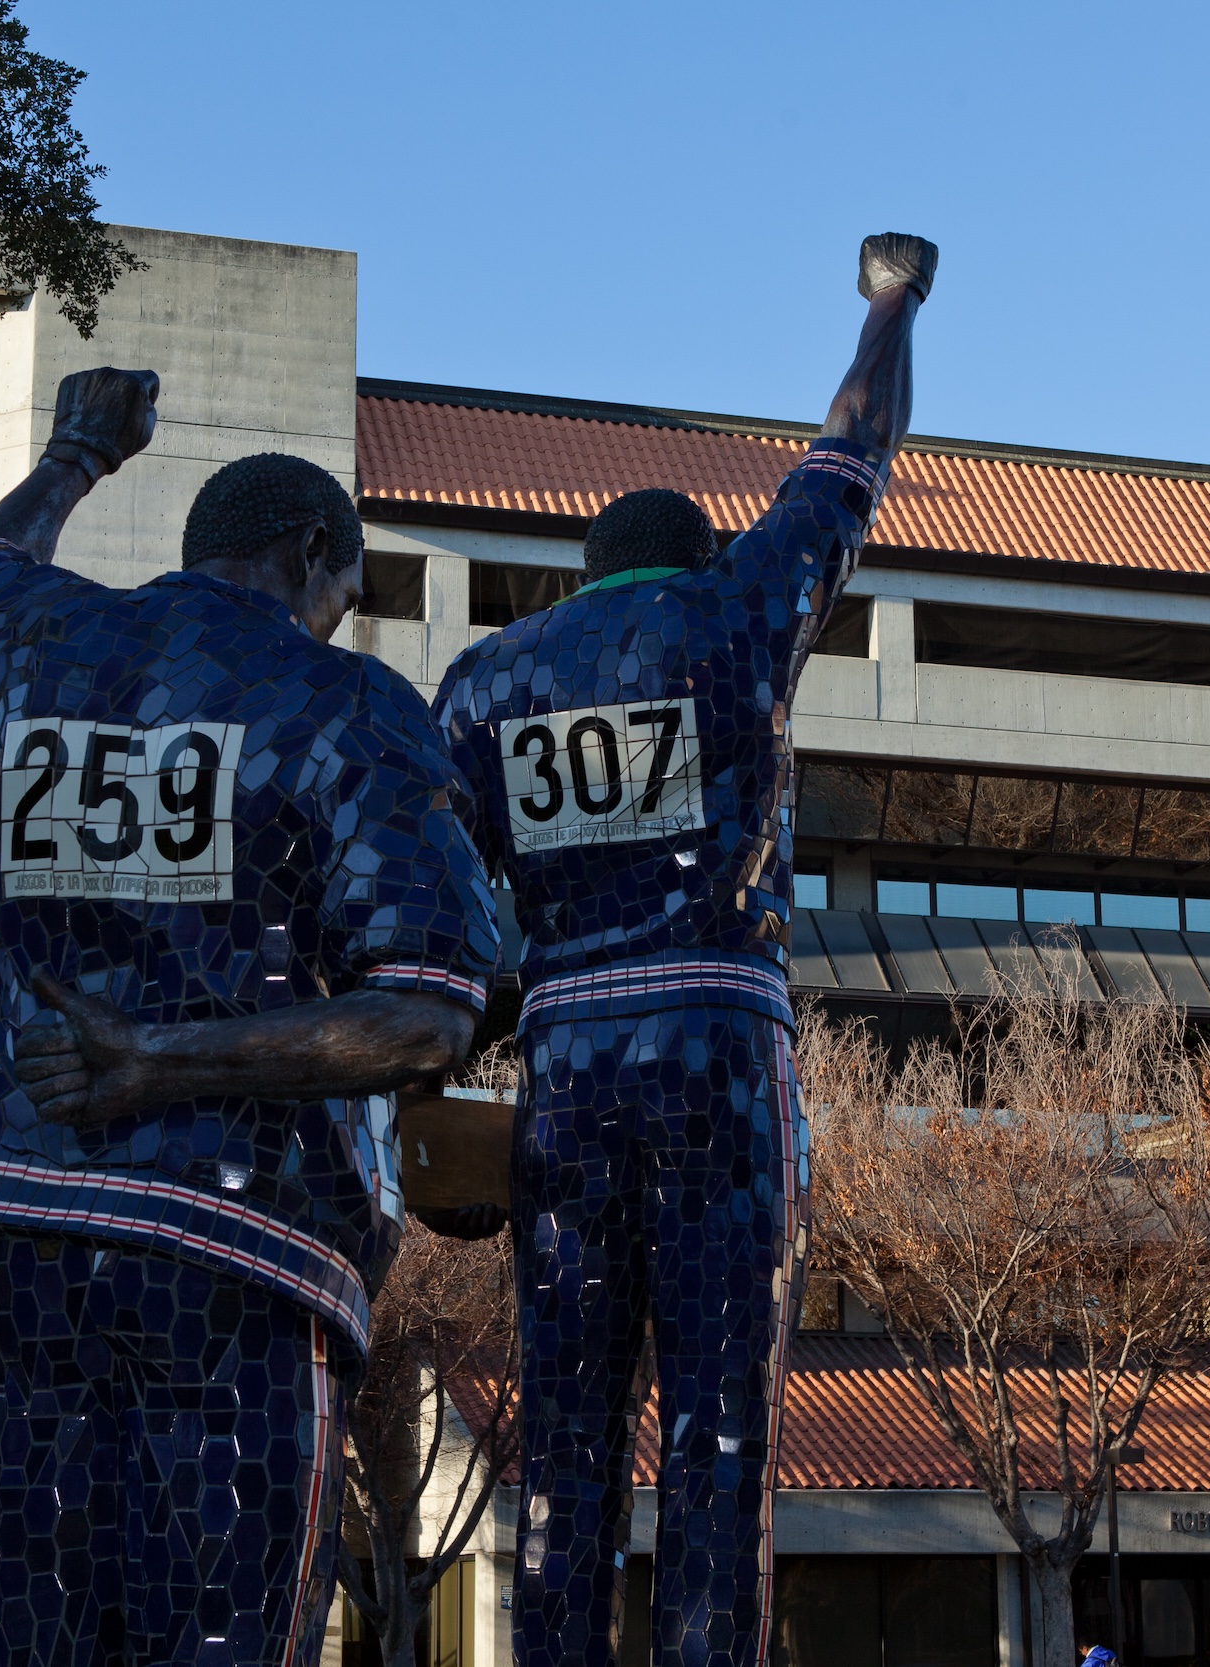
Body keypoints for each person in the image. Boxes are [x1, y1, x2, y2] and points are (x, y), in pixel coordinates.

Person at [0, 365, 502, 1667]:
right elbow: (425, 1014)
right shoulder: (345, 708)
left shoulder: (35, 642)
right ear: (311, 557)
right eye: (344, 591)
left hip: (34, 1226)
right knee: (224, 1629)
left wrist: (76, 454)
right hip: (243, 1242)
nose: (339, 617)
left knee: (31, 1620)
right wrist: (157, 1063)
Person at [428, 233, 937, 1667]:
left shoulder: (487, 683)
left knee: (565, 1432)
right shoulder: (735, 616)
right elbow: (856, 445)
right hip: (718, 1050)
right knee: (722, 1434)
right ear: (697, 556)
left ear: (581, 578)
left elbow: (440, 897)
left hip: (568, 1071)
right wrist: (892, 302)